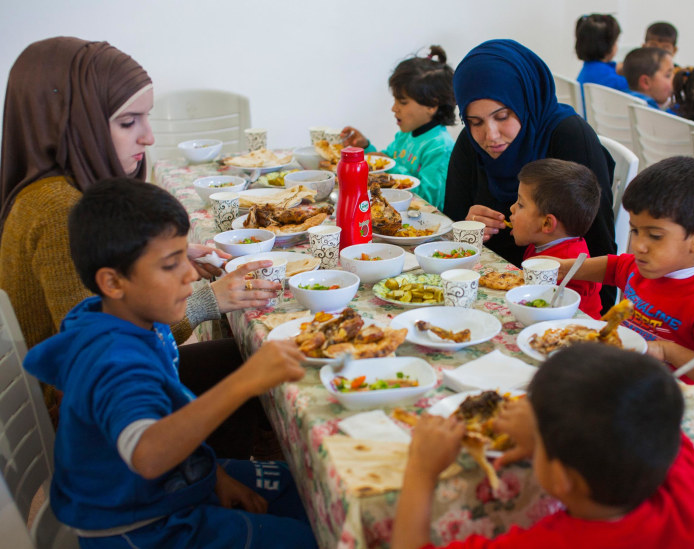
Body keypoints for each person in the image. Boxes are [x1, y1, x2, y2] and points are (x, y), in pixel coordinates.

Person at [0, 37, 277, 458]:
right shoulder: (58, 209)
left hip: (103, 396)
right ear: (71, 123)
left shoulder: (58, 191)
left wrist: (156, 263)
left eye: (145, 118)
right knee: (257, 370)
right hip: (96, 426)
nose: (148, 137)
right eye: (129, 123)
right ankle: (210, 499)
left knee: (246, 356)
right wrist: (209, 299)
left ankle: (226, 481)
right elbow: (109, 341)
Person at [23, 178, 317, 548]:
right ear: (113, 282)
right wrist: (245, 381)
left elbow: (167, 416)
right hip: (142, 526)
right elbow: (147, 455)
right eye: (170, 264)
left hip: (173, 482)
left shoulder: (127, 317)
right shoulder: (115, 361)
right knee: (307, 538)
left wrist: (215, 476)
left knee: (303, 485)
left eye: (185, 256)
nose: (191, 274)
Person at [391, 344, 694, 549]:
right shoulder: (685, 499)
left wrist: (421, 470)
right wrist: (552, 434)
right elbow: (649, 414)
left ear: (560, 478)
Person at [550, 157, 694, 403]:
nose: (638, 245)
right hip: (626, 383)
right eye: (635, 230)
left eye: (655, 236)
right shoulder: (643, 269)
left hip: (672, 404)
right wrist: (560, 269)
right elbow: (615, 267)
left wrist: (666, 350)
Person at [444, 39, 617, 309]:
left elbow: (600, 246)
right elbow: (451, 226)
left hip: (560, 304)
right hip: (494, 290)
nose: (490, 136)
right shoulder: (471, 143)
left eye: (502, 116)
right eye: (475, 122)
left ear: (525, 101)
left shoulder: (569, 138)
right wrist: (468, 228)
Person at [341, 46, 455, 210]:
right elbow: (388, 159)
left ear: (432, 104)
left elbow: (431, 200)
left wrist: (392, 167)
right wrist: (365, 147)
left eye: (402, 102)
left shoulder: (440, 147)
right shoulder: (406, 134)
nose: (394, 108)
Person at [510, 159, 602, 317]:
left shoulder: (568, 268)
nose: (512, 208)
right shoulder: (544, 241)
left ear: (547, 223)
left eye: (520, 204)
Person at [575, 14, 629, 93]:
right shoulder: (616, 81)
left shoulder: (589, 68)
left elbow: (614, 66)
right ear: (608, 45)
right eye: (616, 41)